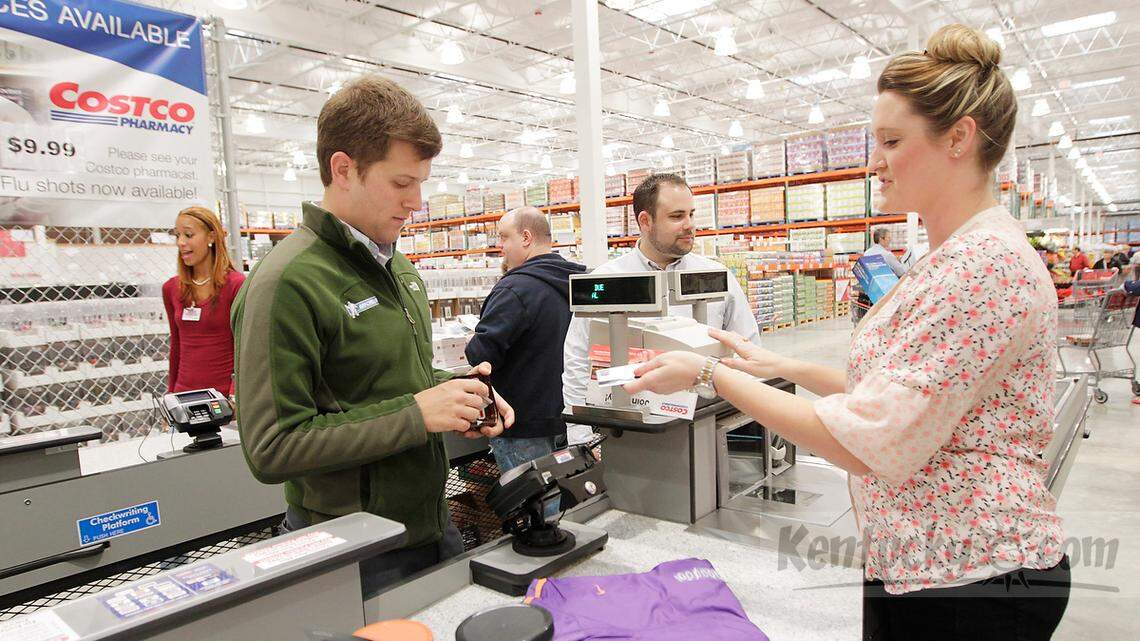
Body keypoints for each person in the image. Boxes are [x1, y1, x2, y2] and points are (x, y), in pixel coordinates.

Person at [622, 25, 1069, 641]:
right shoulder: (950, 256)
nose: (874, 162)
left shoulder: (981, 266)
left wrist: (708, 373)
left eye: (890, 140)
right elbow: (899, 391)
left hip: (971, 575)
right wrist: (779, 366)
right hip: (926, 563)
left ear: (959, 137)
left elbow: (871, 442)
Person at [230, 76, 514, 599]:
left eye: (422, 183)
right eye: (403, 184)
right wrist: (418, 413)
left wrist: (460, 394)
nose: (418, 202)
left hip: (430, 525)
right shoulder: (285, 283)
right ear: (343, 169)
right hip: (354, 549)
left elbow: (396, 380)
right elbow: (271, 448)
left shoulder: (398, 267)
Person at [561, 173, 761, 438]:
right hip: (630, 427)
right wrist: (581, 436)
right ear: (645, 221)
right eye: (677, 216)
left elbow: (749, 349)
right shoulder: (608, 280)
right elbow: (577, 359)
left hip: (706, 423)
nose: (689, 225)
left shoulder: (716, 277)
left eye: (691, 214)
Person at [465, 207, 586, 477]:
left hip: (523, 426)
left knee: (530, 509)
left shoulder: (514, 289)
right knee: (567, 502)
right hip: (570, 418)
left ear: (526, 237)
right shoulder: (580, 282)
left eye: (504, 237)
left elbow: (481, 355)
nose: (501, 247)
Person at [162, 206, 244, 397]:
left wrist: (234, 395)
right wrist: (170, 395)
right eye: (177, 236)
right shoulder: (171, 289)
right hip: (184, 397)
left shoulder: (236, 286)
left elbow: (243, 347)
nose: (181, 242)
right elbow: (176, 346)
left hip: (222, 398)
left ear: (211, 237)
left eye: (188, 235)